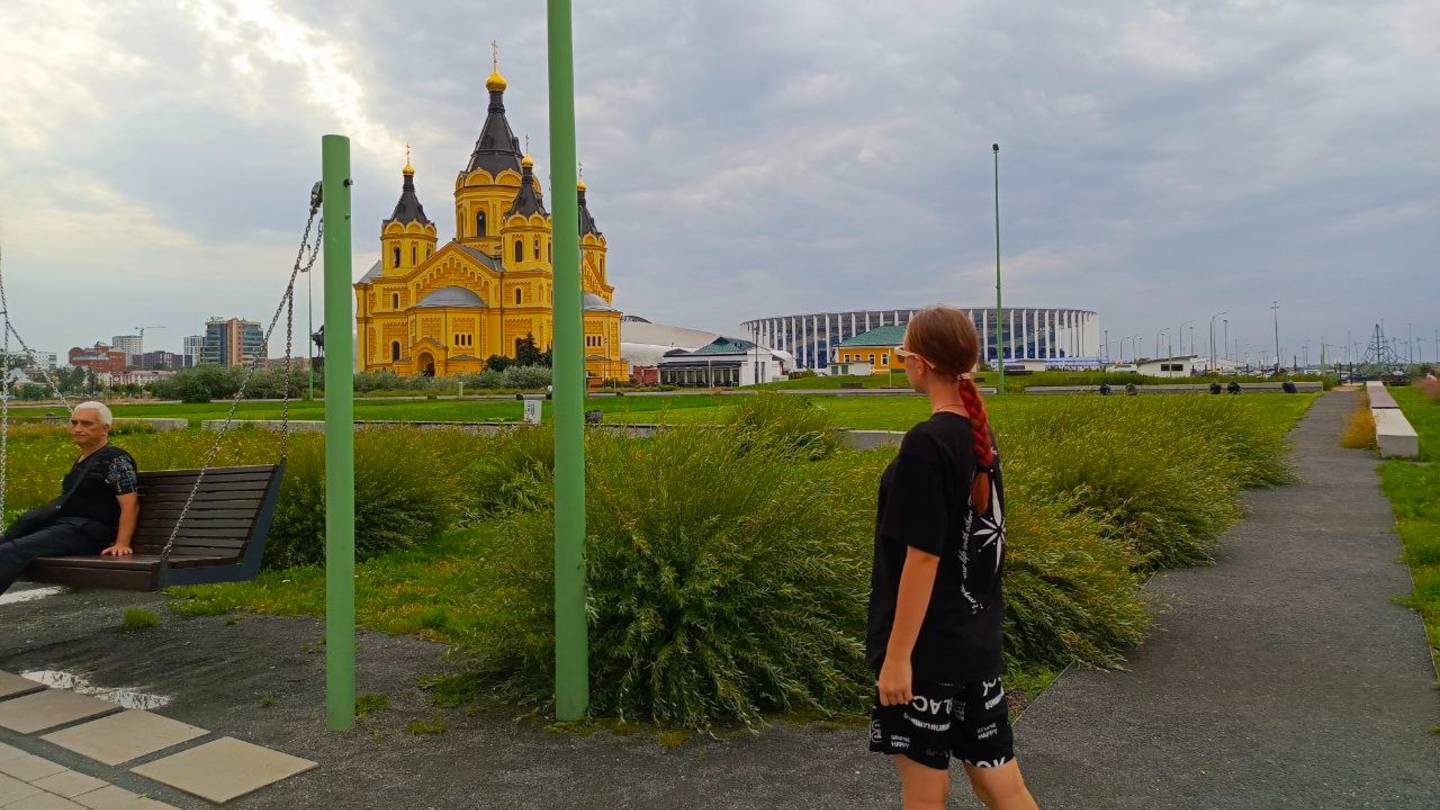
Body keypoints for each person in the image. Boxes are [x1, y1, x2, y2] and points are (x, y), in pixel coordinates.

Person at [868, 306, 1038, 810]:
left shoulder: (927, 443)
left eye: (902, 354)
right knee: (1001, 783)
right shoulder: (978, 437)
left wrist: (897, 659)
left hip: (925, 654)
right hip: (974, 645)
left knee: (925, 792)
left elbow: (923, 559)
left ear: (918, 364)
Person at [0, 402, 139, 595]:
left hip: (88, 531)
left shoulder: (114, 459)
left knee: (11, 551)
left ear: (105, 428)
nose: (78, 429)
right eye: (74, 423)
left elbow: (130, 504)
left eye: (86, 424)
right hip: (68, 527)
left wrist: (122, 543)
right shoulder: (86, 459)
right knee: (5, 544)